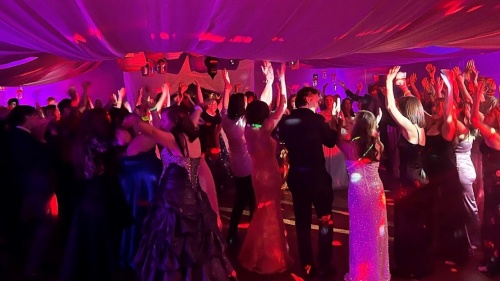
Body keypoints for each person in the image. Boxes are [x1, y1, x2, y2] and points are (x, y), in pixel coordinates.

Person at [125, 105, 235, 280]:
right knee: (194, 241)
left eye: (165, 120)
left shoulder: (173, 139)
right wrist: (198, 108)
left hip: (175, 200)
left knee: (174, 241)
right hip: (194, 196)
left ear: (175, 121)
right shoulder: (193, 136)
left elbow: (150, 131)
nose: (163, 123)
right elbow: (191, 121)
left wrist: (135, 118)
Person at [277, 86, 337, 278]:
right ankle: (325, 261)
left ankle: (307, 264)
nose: (318, 99)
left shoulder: (287, 121)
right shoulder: (317, 120)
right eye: (316, 96)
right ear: (308, 98)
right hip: (317, 177)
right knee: (325, 219)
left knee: (302, 222)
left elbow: (279, 139)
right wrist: (335, 126)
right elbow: (330, 141)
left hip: (298, 176)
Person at [238, 63, 292, 274]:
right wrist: (281, 81)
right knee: (270, 212)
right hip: (269, 174)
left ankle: (258, 251)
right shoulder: (265, 128)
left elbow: (266, 108)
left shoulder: (249, 128)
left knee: (263, 210)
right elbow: (283, 105)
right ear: (263, 113)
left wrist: (269, 80)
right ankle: (269, 254)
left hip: (256, 174)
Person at [384, 66, 433, 278]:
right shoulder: (420, 128)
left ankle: (407, 266)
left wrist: (388, 81)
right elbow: (411, 102)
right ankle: (418, 265)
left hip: (409, 183)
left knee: (406, 226)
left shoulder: (411, 129)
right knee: (417, 224)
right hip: (420, 180)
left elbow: (389, 107)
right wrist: (405, 89)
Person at [337, 110, 390, 281]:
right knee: (376, 232)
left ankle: (362, 273)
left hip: (358, 192)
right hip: (376, 191)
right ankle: (377, 273)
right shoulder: (378, 145)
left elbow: (338, 140)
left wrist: (339, 125)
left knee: (359, 232)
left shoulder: (349, 145)